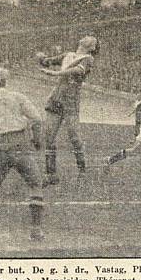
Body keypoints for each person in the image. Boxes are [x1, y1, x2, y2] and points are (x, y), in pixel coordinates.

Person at [0, 67, 45, 243]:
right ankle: (35, 229)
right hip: (20, 144)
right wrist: (36, 140)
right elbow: (36, 119)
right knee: (35, 185)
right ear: (5, 81)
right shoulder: (17, 97)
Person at [37, 35, 99, 187]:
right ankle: (51, 174)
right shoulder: (68, 55)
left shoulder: (88, 59)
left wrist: (55, 73)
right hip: (56, 99)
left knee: (75, 138)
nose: (88, 39)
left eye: (92, 40)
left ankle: (82, 169)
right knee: (49, 137)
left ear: (91, 47)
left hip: (71, 102)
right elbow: (48, 62)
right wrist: (42, 58)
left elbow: (77, 71)